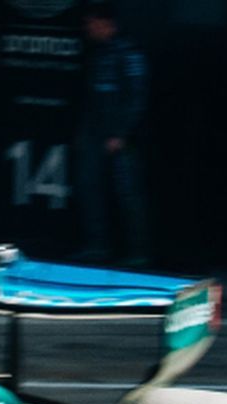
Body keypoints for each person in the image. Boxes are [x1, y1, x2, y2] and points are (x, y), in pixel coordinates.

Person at [76, 3, 150, 266]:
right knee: (90, 189)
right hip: (94, 134)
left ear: (106, 24)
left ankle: (138, 252)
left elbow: (137, 98)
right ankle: (97, 247)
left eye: (92, 24)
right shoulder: (97, 54)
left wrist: (121, 133)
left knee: (127, 193)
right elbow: (92, 96)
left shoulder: (128, 54)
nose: (88, 29)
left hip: (121, 137)